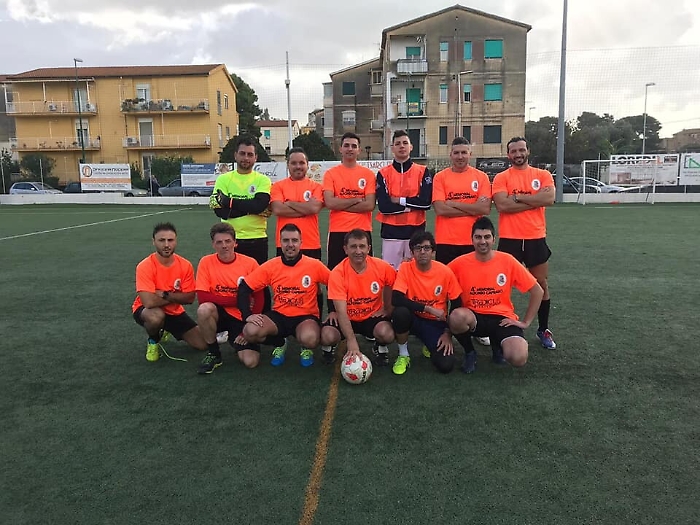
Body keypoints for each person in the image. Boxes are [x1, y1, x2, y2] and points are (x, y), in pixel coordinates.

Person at [448, 216, 544, 373]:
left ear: (494, 239)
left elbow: (537, 291)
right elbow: (440, 285)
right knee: (457, 317)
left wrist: (526, 322)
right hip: (474, 318)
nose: (482, 241)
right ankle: (470, 352)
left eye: (487, 237)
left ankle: (497, 345)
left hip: (502, 319)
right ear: (472, 239)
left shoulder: (507, 260)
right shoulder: (459, 264)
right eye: (478, 237)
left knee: (519, 358)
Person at [492, 137, 557, 349]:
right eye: (513, 151)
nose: (518, 154)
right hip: (509, 238)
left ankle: (543, 329)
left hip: (535, 237)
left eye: (521, 150)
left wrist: (517, 198)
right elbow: (502, 205)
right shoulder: (502, 177)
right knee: (501, 286)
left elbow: (549, 199)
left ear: (528, 151)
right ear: (508, 154)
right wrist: (534, 200)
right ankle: (499, 329)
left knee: (541, 284)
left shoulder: (542, 175)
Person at [237, 223, 331, 367]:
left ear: (301, 242)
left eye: (294, 240)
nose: (290, 245)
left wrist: (333, 311)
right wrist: (247, 315)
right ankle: (280, 343)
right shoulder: (271, 266)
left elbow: (335, 284)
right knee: (250, 331)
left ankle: (305, 347)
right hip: (279, 316)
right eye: (286, 240)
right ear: (280, 242)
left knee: (310, 339)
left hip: (305, 317)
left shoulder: (314, 265)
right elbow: (244, 287)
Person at [432, 136, 493, 347]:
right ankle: (442, 329)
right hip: (446, 241)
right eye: (456, 153)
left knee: (473, 287)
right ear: (450, 155)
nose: (460, 156)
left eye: (464, 152)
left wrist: (453, 203)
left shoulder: (481, 177)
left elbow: (484, 208)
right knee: (444, 289)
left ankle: (476, 327)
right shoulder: (440, 177)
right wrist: (470, 207)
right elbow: (440, 209)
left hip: (473, 242)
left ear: (470, 154)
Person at [211, 136, 272, 310]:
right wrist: (251, 208)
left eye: (250, 154)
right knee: (229, 282)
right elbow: (219, 211)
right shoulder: (223, 179)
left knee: (260, 283)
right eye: (243, 153)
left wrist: (230, 202)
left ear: (256, 158)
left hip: (256, 240)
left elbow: (260, 205)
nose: (246, 158)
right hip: (230, 241)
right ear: (235, 155)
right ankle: (230, 318)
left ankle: (265, 318)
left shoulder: (263, 180)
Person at [195, 223, 264, 374]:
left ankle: (237, 339)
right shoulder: (206, 262)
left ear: (235, 242)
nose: (224, 246)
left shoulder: (250, 263)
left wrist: (247, 329)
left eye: (227, 241)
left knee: (251, 362)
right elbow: (203, 297)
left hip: (241, 316)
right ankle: (214, 353)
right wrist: (239, 301)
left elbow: (259, 296)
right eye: (219, 242)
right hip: (218, 314)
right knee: (204, 309)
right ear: (213, 244)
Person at [391, 231, 463, 375]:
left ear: (433, 252)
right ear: (412, 252)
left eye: (426, 248)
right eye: (418, 248)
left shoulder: (445, 272)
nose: (422, 252)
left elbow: (457, 304)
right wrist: (428, 309)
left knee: (446, 365)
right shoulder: (405, 268)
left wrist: (448, 333)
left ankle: (428, 342)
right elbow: (396, 299)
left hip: (435, 323)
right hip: (413, 319)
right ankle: (403, 354)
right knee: (400, 313)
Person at [132, 222, 206, 361]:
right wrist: (177, 296)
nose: (166, 245)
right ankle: (153, 340)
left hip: (174, 312)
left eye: (170, 240)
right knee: (155, 317)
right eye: (161, 240)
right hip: (147, 311)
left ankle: (166, 329)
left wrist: (164, 294)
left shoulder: (185, 265)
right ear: (153, 241)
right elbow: (148, 302)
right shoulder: (145, 266)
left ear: (175, 241)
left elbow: (190, 298)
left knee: (202, 345)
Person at [320, 229, 396, 366]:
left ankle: (380, 346)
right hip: (347, 317)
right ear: (345, 249)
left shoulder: (382, 267)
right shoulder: (338, 273)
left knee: (387, 333)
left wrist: (388, 308)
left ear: (369, 248)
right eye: (353, 246)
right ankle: (329, 348)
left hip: (371, 316)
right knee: (327, 335)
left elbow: (393, 284)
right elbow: (341, 312)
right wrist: (351, 341)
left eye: (362, 246)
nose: (358, 251)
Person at [376, 130, 433, 270]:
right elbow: (384, 207)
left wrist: (400, 200)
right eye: (397, 144)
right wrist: (411, 206)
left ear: (411, 147)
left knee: (414, 273)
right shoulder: (383, 173)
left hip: (415, 232)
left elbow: (426, 203)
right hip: (391, 233)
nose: (401, 146)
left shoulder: (422, 171)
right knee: (390, 274)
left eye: (405, 143)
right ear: (392, 148)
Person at [322, 132, 376, 270]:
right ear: (340, 149)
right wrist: (356, 200)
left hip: (363, 231)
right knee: (336, 272)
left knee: (364, 272)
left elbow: (369, 205)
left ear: (359, 150)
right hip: (338, 231)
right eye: (346, 145)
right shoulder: (331, 174)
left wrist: (340, 203)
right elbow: (330, 203)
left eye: (353, 146)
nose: (350, 149)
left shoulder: (368, 174)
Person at [270, 147, 324, 260]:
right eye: (294, 163)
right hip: (285, 245)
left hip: (311, 244)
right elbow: (278, 209)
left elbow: (314, 208)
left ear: (307, 165)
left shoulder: (316, 187)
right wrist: (306, 208)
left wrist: (289, 203)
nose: (298, 166)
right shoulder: (278, 186)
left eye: (301, 163)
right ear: (288, 165)